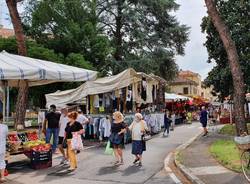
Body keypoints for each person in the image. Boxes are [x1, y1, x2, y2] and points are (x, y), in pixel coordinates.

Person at [0, 113, 8, 183]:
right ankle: (2, 177)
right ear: (1, 119)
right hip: (2, 147)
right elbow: (6, 135)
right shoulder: (5, 127)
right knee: (2, 161)